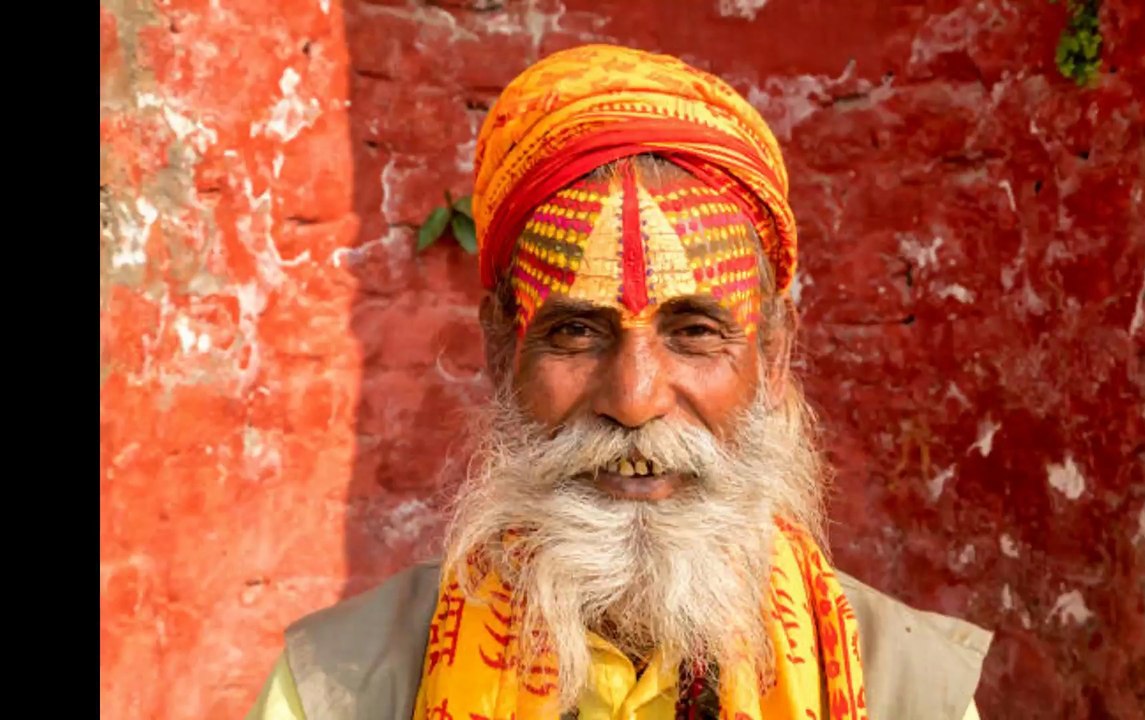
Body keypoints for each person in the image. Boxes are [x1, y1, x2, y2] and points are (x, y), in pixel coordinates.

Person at [247, 44, 992, 720]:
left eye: (694, 332)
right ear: (502, 350)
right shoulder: (337, 692)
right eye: (575, 332)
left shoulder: (909, 691)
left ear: (773, 356)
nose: (634, 400)